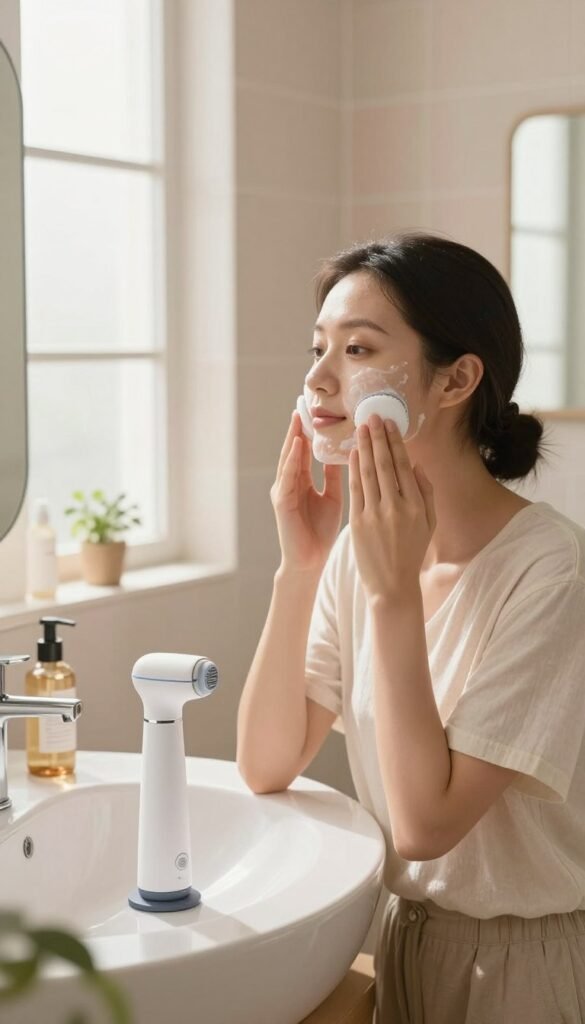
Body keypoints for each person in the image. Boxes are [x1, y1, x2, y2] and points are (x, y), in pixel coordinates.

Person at [236, 232, 585, 1023]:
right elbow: (265, 763)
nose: (317, 377)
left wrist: (392, 599)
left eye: (357, 349)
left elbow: (428, 825)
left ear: (456, 378)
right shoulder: (364, 554)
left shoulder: (552, 571)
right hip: (403, 942)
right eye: (317, 346)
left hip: (523, 969)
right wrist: (301, 566)